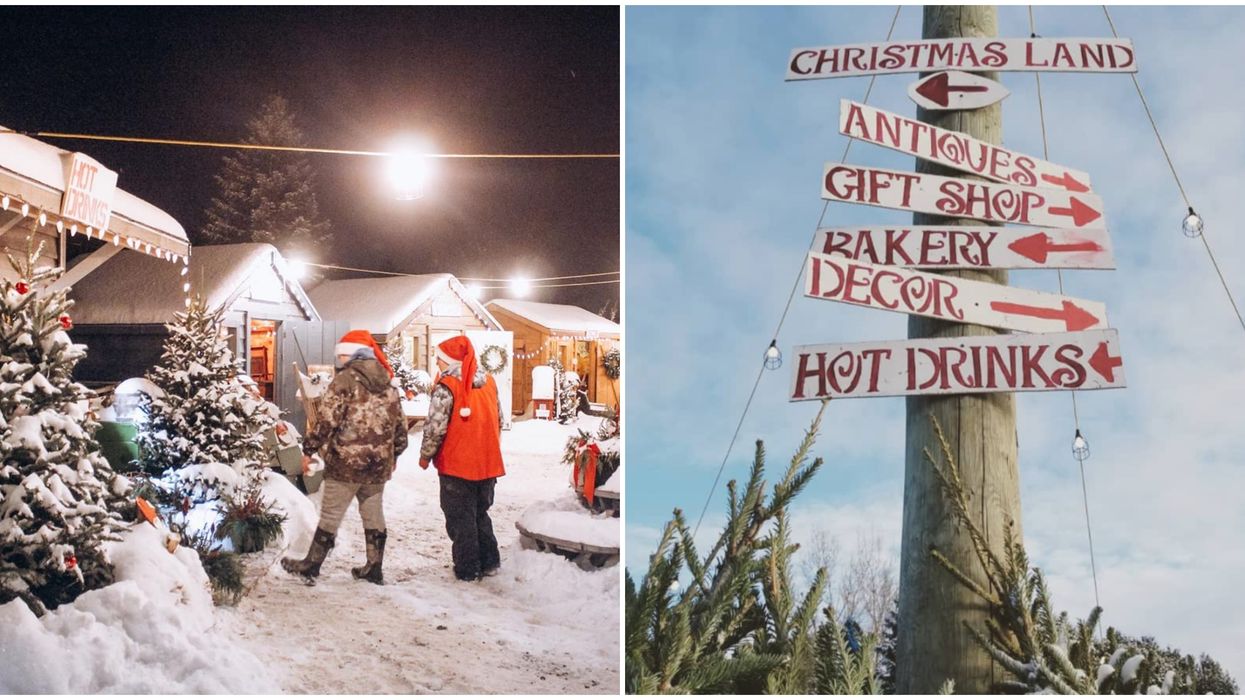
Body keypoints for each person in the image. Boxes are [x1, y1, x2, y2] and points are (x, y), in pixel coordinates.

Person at [282, 330, 408, 585]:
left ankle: (311, 565)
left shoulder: (345, 380)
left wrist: (308, 450)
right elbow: (401, 427)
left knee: (331, 514)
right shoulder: (388, 382)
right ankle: (374, 567)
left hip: (345, 464)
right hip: (377, 465)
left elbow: (326, 421)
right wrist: (393, 455)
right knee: (373, 514)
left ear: (350, 354)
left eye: (340, 353)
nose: (338, 357)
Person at [419, 335, 505, 581]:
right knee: (480, 513)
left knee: (460, 518)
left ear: (449, 361)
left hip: (457, 464)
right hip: (487, 463)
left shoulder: (446, 386)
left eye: (439, 359)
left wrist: (425, 455)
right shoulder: (489, 382)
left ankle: (468, 568)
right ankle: (489, 562)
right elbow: (499, 419)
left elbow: (435, 427)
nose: (437, 363)